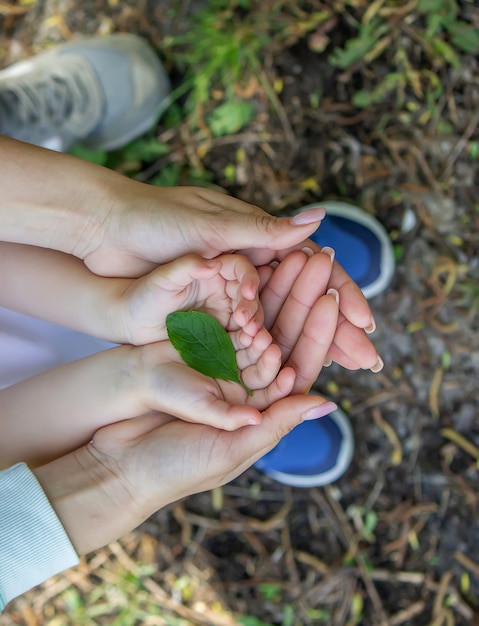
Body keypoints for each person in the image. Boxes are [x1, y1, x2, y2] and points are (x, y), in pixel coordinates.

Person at [0, 34, 384, 610]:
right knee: (200, 375)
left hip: (25, 258)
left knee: (190, 282)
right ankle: (205, 406)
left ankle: (228, 285)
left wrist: (101, 240)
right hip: (44, 424)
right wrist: (131, 406)